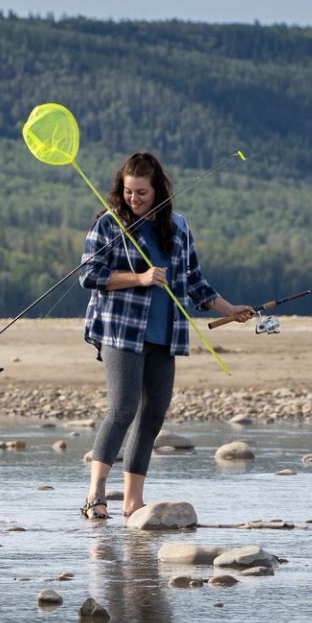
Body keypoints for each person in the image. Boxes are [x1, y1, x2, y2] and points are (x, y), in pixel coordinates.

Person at [78, 152, 253, 519]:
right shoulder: (109, 225)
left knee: (153, 415)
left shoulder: (179, 227)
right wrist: (140, 278)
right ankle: (95, 496)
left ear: (158, 190)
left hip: (165, 332)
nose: (134, 199)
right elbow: (89, 276)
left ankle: (132, 501)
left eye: (142, 192)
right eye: (128, 192)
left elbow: (194, 282)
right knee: (123, 409)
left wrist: (231, 310)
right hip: (120, 330)